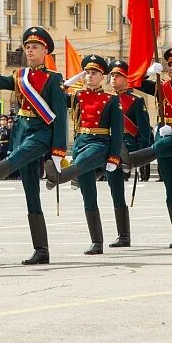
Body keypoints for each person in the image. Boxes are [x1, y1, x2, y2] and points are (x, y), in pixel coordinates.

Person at [0, 27, 67, 265]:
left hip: (42, 133)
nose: (30, 51)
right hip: (22, 132)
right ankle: (41, 249)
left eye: (35, 47)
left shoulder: (54, 78)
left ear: (45, 51)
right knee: (31, 191)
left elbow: (60, 116)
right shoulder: (19, 75)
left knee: (17, 159)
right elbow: (1, 81)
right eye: (27, 47)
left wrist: (59, 152)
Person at [120, 47, 172, 248]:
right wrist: (148, 72)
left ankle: (131, 160)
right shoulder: (161, 85)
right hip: (163, 134)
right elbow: (136, 82)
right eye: (170, 64)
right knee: (171, 188)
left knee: (159, 147)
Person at [44, 55, 122, 255]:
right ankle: (96, 242)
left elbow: (117, 131)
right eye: (87, 72)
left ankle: (60, 177)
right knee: (88, 195)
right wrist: (70, 82)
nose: (89, 76)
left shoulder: (112, 100)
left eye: (94, 73)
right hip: (80, 142)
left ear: (102, 76)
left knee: (80, 163)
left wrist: (114, 157)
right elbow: (56, 94)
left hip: (100, 144)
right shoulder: (77, 96)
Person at [103, 60, 151, 247]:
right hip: (108, 146)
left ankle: (124, 235)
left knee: (117, 191)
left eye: (118, 75)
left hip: (126, 147)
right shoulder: (106, 98)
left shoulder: (136, 101)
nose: (114, 78)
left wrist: (139, 156)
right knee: (114, 189)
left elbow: (144, 131)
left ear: (127, 79)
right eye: (112, 75)